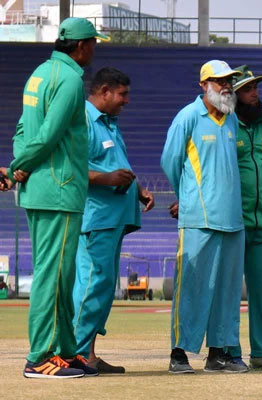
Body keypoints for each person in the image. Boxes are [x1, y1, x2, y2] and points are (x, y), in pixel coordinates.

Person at [7, 17, 108, 379]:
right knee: (54, 277)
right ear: (81, 46)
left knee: (61, 277)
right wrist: (13, 168)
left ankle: (66, 351)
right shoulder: (69, 80)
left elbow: (23, 129)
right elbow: (49, 135)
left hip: (40, 189)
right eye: (93, 44)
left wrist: (19, 167)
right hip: (60, 190)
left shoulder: (39, 73)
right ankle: (40, 357)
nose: (94, 50)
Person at [161, 60, 247, 374]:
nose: (227, 86)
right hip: (200, 218)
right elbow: (170, 161)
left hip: (233, 219)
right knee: (192, 287)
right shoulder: (188, 117)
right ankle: (179, 354)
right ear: (203, 85)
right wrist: (187, 197)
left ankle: (218, 354)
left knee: (227, 292)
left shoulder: (232, 119)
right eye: (220, 80)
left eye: (230, 80)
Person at [71, 67, 154, 374]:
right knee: (92, 285)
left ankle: (89, 355)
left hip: (114, 217)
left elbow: (113, 165)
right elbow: (72, 169)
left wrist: (138, 189)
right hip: (96, 219)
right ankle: (74, 356)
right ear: (104, 91)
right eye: (123, 94)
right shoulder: (83, 122)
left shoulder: (109, 123)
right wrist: (107, 178)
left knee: (103, 289)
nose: (127, 101)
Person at [221, 65, 262, 371]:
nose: (255, 94)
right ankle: (230, 351)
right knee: (232, 290)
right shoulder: (225, 125)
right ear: (233, 95)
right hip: (235, 222)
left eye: (256, 88)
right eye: (248, 89)